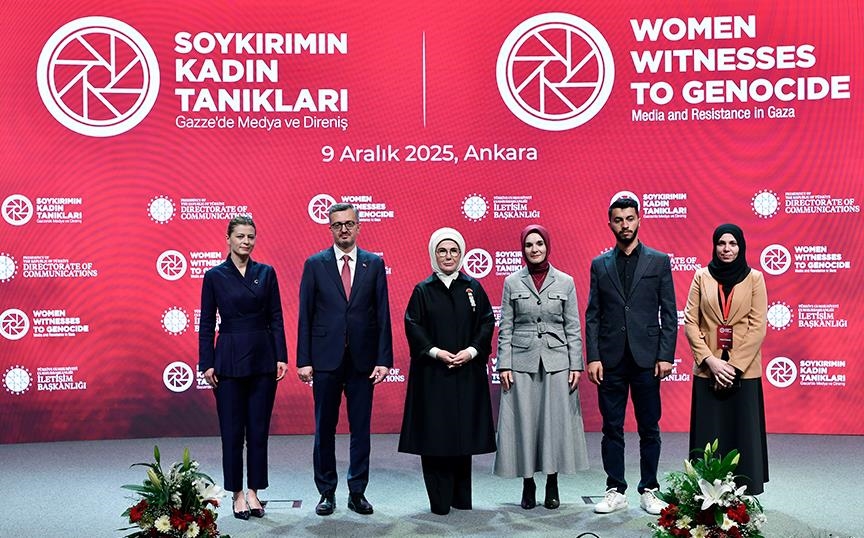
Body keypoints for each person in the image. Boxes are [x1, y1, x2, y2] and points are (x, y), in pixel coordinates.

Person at [297, 202, 393, 516]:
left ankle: (357, 491)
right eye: (338, 225)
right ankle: (326, 492)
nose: (344, 230)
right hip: (325, 359)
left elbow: (382, 314)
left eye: (349, 224)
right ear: (330, 228)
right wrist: (303, 359)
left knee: (360, 429)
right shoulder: (315, 264)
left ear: (358, 226)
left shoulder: (374, 264)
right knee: (324, 428)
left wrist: (384, 359)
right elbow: (305, 315)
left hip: (363, 360)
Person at [584, 196, 676, 515]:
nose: (625, 225)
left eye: (630, 218)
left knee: (649, 427)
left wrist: (665, 355)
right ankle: (615, 489)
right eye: (618, 220)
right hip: (610, 359)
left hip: (647, 359)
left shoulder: (659, 261)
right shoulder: (600, 264)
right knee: (612, 428)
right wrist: (593, 356)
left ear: (639, 219)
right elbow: (593, 314)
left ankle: (649, 489)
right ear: (610, 223)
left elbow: (669, 312)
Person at [398, 227, 496, 515]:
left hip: (467, 373)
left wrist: (471, 351)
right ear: (433, 254)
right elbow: (413, 325)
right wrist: (436, 352)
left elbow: (486, 322)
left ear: (461, 253)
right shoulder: (423, 290)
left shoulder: (473, 287)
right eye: (442, 250)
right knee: (435, 436)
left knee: (463, 434)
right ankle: (439, 500)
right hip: (433, 376)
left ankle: (461, 497)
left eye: (454, 250)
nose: (448, 256)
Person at [198, 215, 289, 520]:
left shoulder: (266, 273)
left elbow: (276, 317)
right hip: (228, 358)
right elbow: (206, 322)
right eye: (240, 236)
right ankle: (236, 493)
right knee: (232, 431)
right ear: (228, 239)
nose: (246, 241)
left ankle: (254, 491)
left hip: (263, 356)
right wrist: (207, 362)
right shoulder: (214, 276)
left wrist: (281, 355)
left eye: (250, 236)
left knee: (259, 430)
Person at [493, 224, 589, 510]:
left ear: (547, 246)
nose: (534, 249)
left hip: (557, 361)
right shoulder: (512, 282)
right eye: (529, 245)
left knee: (553, 424)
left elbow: (573, 326)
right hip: (521, 361)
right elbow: (505, 327)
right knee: (525, 424)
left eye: (539, 244)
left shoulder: (566, 281)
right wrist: (504, 364)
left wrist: (576, 365)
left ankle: (552, 482)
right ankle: (528, 483)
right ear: (523, 249)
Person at [684, 223, 768, 495]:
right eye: (721, 243)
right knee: (708, 435)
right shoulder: (701, 276)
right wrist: (710, 360)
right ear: (714, 246)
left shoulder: (755, 278)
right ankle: (705, 496)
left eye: (732, 244)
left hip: (744, 372)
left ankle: (744, 496)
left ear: (741, 247)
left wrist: (732, 367)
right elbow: (690, 322)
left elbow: (757, 327)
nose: (726, 249)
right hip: (708, 370)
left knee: (742, 435)